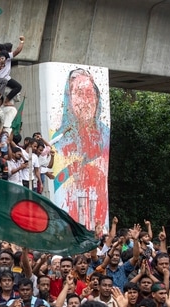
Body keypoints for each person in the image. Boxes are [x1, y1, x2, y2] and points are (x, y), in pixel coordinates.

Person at [51, 68, 110, 228]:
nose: (85, 101)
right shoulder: (58, 140)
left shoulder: (105, 135)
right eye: (78, 93)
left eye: (89, 93)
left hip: (97, 209)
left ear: (97, 98)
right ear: (69, 99)